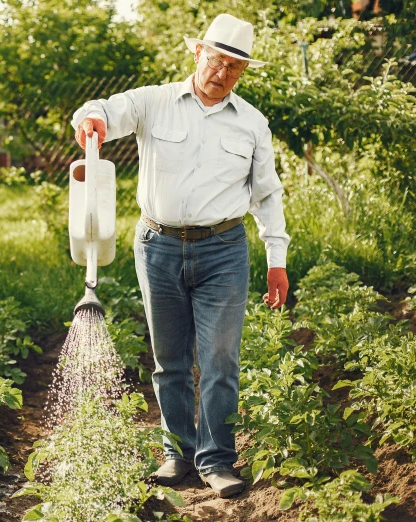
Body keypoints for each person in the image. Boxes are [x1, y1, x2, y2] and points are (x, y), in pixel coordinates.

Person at [71, 13, 290, 498]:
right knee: (169, 359)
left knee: (218, 361)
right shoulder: (154, 102)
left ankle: (216, 460)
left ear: (244, 72)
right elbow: (105, 108)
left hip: (223, 251)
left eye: (235, 68)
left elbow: (267, 194)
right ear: (197, 53)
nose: (223, 74)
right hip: (158, 247)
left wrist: (277, 256)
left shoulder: (253, 123)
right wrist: (94, 120)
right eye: (217, 61)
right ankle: (176, 452)